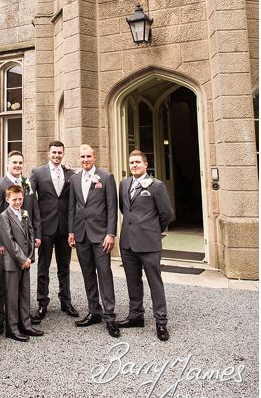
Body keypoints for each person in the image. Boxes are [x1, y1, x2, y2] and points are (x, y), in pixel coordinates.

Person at [117, 149, 173, 341]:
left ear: (145, 165)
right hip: (127, 243)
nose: (134, 165)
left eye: (137, 162)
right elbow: (124, 209)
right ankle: (136, 316)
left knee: (154, 282)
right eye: (131, 162)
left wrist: (152, 230)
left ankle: (161, 321)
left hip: (149, 243)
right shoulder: (123, 184)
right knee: (133, 282)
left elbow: (166, 214)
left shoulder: (156, 186)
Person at [68, 144, 119, 337]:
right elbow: (72, 207)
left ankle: (110, 316)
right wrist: (71, 231)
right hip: (81, 235)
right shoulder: (74, 179)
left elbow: (112, 208)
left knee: (104, 273)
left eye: (88, 156)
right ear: (79, 158)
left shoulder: (106, 178)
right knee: (87, 274)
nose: (85, 160)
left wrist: (110, 233)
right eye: (82, 157)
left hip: (100, 236)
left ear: (94, 157)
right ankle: (94, 311)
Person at [0, 151, 40, 335]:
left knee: (21, 282)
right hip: (6, 244)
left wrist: (36, 236)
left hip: (24, 242)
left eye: (20, 162)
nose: (17, 165)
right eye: (14, 162)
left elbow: (33, 211)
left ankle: (19, 318)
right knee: (2, 280)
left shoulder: (27, 183)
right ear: (7, 164)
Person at [28, 141, 78, 320]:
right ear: (48, 153)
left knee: (64, 267)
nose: (57, 155)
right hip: (46, 227)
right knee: (43, 267)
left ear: (63, 154)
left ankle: (66, 301)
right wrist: (33, 228)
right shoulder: (37, 172)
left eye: (60, 153)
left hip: (64, 227)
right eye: (54, 152)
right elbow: (28, 195)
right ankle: (42, 303)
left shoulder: (70, 173)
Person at [0, 184, 44, 342]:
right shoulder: (4, 216)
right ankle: (12, 328)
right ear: (7, 199)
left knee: (24, 294)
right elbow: (9, 241)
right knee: (12, 296)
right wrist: (22, 259)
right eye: (14, 199)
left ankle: (26, 325)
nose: (17, 202)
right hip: (13, 262)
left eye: (20, 199)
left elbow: (30, 234)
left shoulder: (25, 213)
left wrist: (30, 256)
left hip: (26, 260)